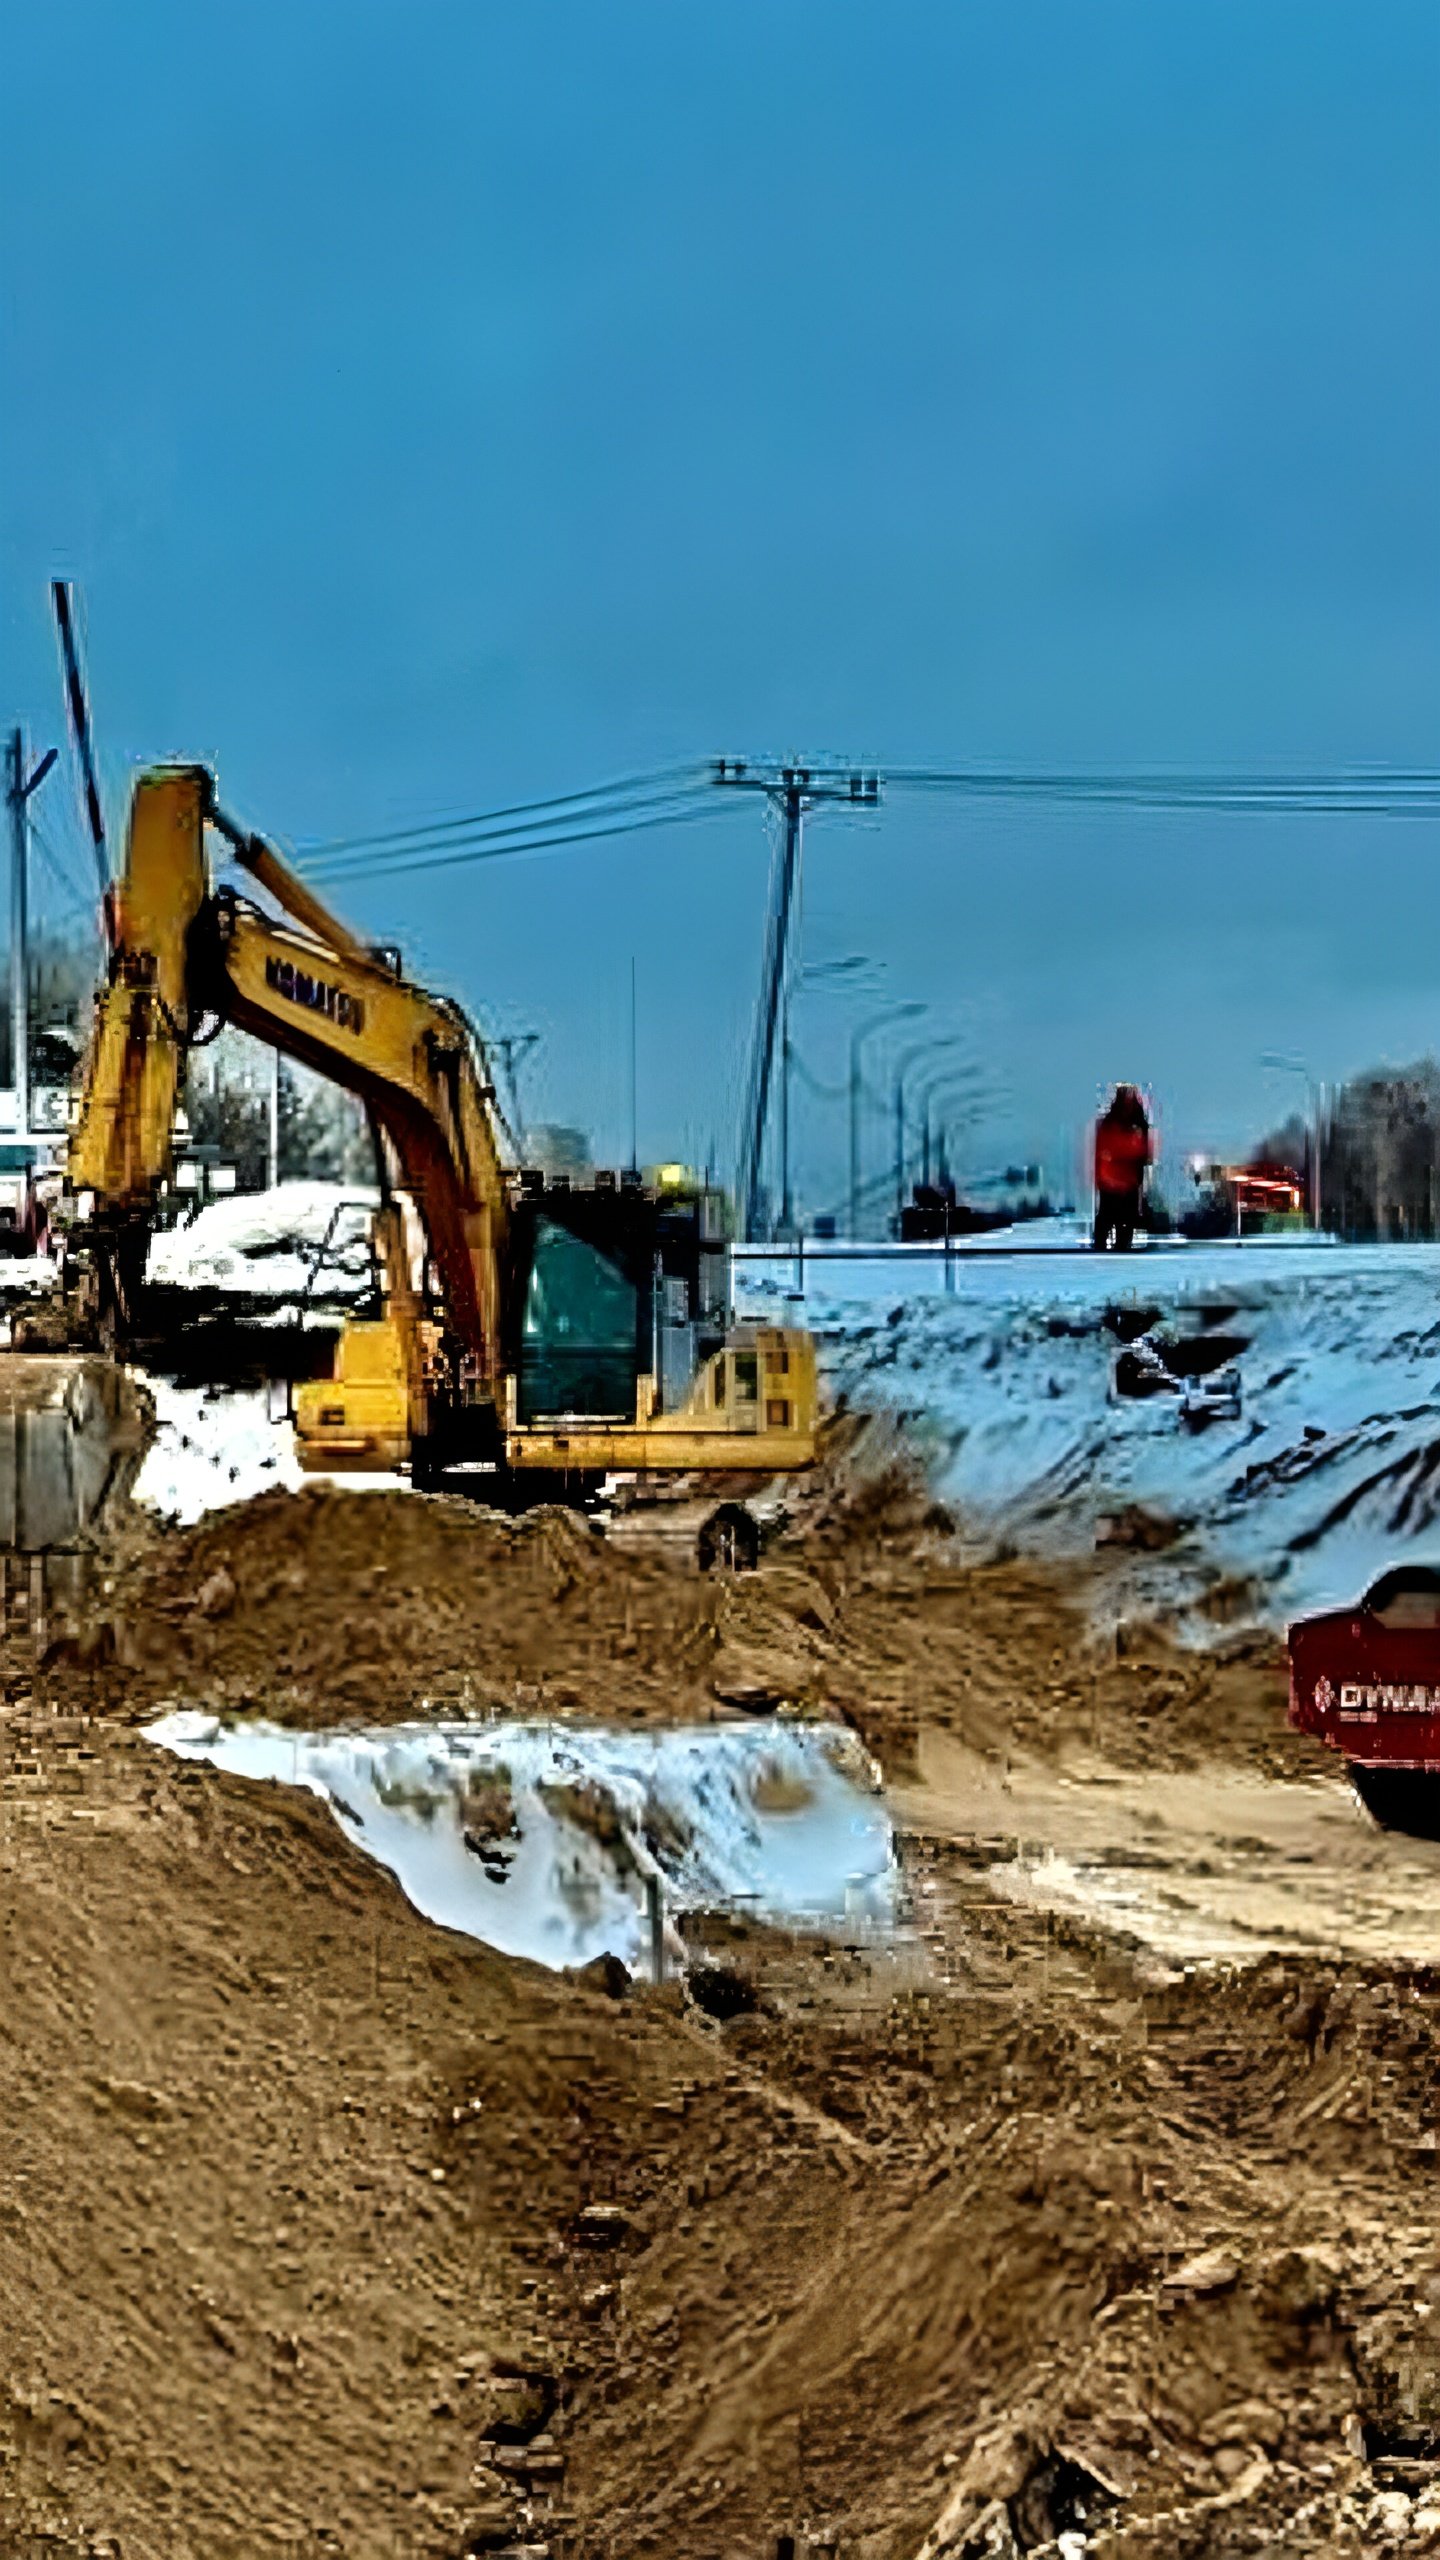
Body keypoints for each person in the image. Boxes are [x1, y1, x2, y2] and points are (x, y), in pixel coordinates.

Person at [1092, 1084, 1153, 1251]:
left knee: (1110, 1216)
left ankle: (1108, 1246)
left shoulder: (1111, 1121)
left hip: (1115, 1179)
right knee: (1122, 1218)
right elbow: (1143, 1152)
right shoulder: (1136, 1122)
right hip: (1125, 1179)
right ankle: (1120, 1246)